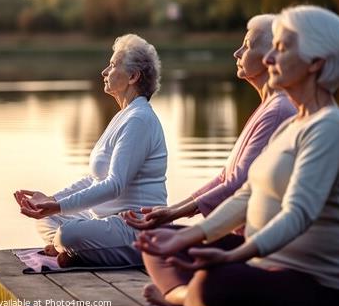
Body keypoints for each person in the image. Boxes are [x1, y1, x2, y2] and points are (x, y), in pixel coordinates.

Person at [135, 5, 339, 306]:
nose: (269, 59)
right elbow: (246, 195)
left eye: (280, 50)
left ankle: (181, 297)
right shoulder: (291, 124)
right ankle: (188, 298)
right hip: (263, 262)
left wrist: (232, 257)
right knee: (164, 246)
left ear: (315, 63)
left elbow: (298, 214)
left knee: (212, 282)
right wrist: (189, 236)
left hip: (317, 285)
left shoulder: (329, 128)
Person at [121, 14, 295, 231]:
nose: (237, 53)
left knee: (157, 241)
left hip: (256, 240)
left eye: (247, 46)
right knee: (156, 238)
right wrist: (173, 210)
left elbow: (237, 184)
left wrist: (173, 214)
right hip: (239, 234)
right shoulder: (269, 106)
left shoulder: (278, 110)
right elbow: (225, 176)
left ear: (271, 56)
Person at [14, 34, 167, 267]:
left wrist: (58, 205)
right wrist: (52, 201)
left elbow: (115, 184)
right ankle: (68, 250)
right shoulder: (124, 116)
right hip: (104, 221)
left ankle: (67, 249)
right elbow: (95, 179)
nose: (104, 71)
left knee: (67, 234)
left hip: (135, 228)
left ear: (133, 77)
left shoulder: (140, 120)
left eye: (113, 66)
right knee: (47, 219)